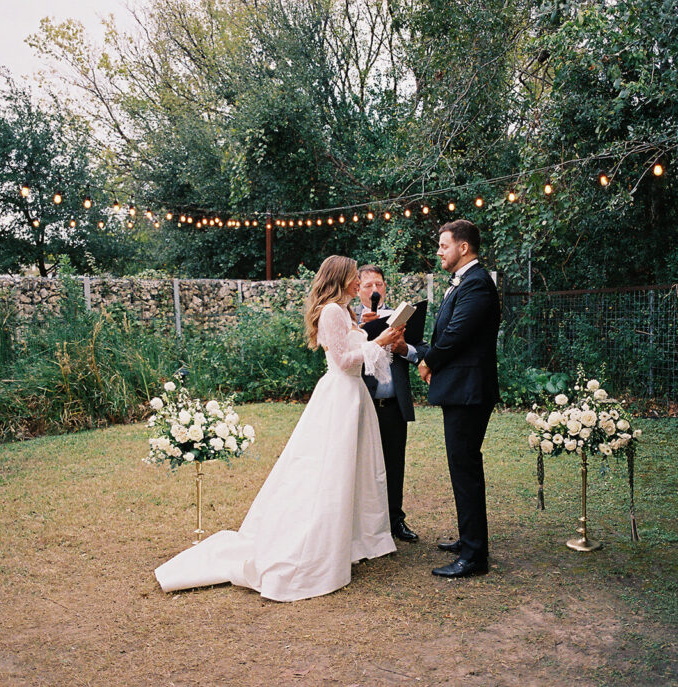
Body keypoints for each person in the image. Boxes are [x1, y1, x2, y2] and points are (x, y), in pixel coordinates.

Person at [155, 256, 406, 602]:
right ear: (341, 278)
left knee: (356, 470)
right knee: (330, 470)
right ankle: (317, 542)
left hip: (355, 397)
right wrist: (377, 343)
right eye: (353, 277)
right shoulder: (332, 312)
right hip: (339, 397)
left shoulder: (347, 312)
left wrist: (381, 337)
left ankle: (353, 538)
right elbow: (343, 361)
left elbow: (356, 353)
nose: (358, 282)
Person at [418, 220, 501, 578]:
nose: (439, 251)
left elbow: (456, 334)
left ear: (463, 248)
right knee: (462, 467)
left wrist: (429, 359)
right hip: (460, 390)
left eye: (444, 245)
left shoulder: (478, 284)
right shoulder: (465, 282)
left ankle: (474, 556)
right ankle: (470, 540)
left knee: (465, 469)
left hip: (469, 391)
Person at [355, 265, 427, 543]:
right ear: (357, 289)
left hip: (394, 403)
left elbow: (422, 350)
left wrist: (403, 348)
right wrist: (365, 333)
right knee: (363, 465)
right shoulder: (350, 319)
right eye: (368, 285)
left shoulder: (400, 317)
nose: (375, 290)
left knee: (395, 464)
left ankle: (395, 520)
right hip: (363, 403)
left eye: (380, 284)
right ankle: (364, 523)